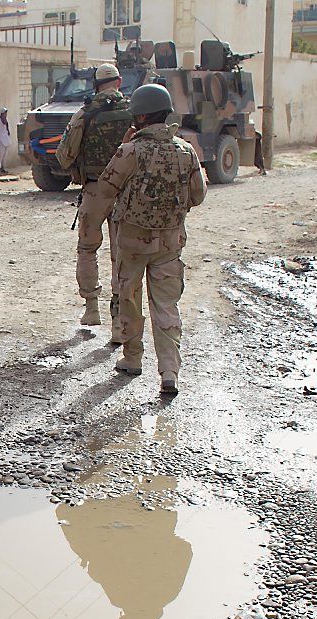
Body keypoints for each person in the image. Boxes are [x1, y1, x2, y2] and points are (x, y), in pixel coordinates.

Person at [95, 84, 207, 394]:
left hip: (132, 242)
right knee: (166, 306)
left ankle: (132, 359)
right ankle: (169, 372)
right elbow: (198, 195)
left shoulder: (131, 150)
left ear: (142, 116)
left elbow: (106, 188)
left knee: (129, 300)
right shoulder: (186, 151)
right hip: (170, 244)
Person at [56, 63, 132, 339]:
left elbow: (64, 155)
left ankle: (91, 307)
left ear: (95, 85)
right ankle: (119, 319)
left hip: (95, 189)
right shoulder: (135, 113)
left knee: (88, 249)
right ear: (119, 82)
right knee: (122, 253)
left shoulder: (84, 114)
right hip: (126, 191)